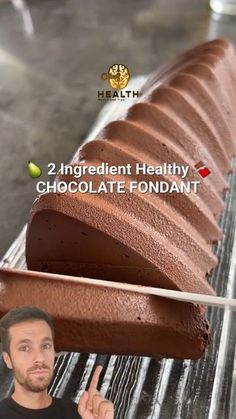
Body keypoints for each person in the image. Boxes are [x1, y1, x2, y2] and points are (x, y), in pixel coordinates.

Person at [0, 306, 114, 419]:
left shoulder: (80, 414)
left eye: (45, 346)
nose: (40, 357)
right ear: (8, 360)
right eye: (25, 348)